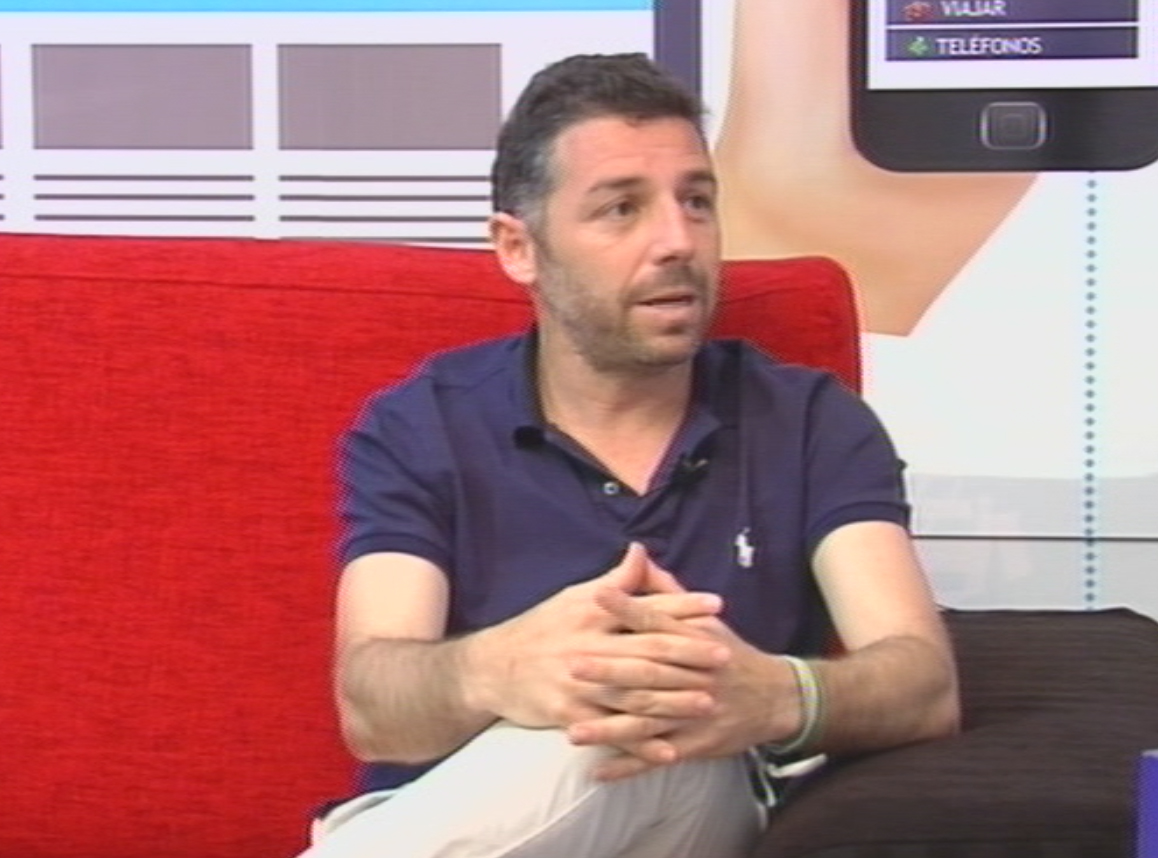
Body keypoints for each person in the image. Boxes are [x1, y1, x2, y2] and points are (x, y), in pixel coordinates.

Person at [301, 53, 960, 858]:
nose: (677, 241)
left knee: (645, 718)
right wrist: (501, 669)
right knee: (604, 705)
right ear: (519, 247)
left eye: (697, 201)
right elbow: (374, 707)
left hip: (698, 799)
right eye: (622, 209)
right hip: (458, 816)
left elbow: (923, 683)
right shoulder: (424, 424)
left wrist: (773, 694)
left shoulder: (809, 421)